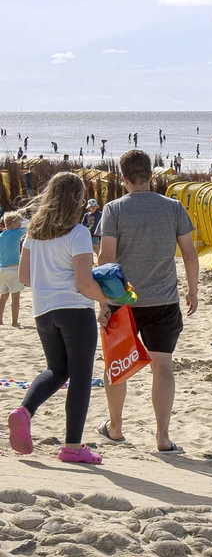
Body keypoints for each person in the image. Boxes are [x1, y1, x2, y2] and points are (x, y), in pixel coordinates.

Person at [96, 150, 198, 453]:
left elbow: (106, 258)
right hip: (163, 299)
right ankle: (162, 437)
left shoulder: (114, 209)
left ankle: (115, 427)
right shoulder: (173, 207)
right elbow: (190, 254)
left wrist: (103, 302)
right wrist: (193, 290)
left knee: (116, 364)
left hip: (122, 299)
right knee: (162, 365)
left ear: (124, 178)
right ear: (151, 176)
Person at [8, 173, 109, 464]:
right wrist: (106, 300)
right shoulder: (78, 233)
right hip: (75, 311)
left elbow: (25, 277)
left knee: (56, 370)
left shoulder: (33, 234)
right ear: (77, 199)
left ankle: (24, 410)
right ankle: (72, 446)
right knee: (80, 377)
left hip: (43, 311)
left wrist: (49, 283)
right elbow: (84, 283)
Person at [0, 212, 27, 327]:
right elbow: (29, 225)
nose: (20, 226)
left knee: (3, 296)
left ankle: (0, 320)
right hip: (13, 269)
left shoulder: (1, 235)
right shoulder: (16, 233)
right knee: (15, 297)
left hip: (2, 269)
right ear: (13, 224)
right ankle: (14, 321)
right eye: (18, 224)